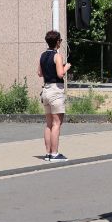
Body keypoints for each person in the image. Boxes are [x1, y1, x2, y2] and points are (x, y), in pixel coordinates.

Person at [37, 30, 71, 162]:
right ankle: (55, 154)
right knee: (57, 123)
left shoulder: (42, 55)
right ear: (57, 42)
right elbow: (60, 74)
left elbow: (39, 73)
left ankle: (48, 153)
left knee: (49, 124)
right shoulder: (57, 56)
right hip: (56, 91)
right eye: (60, 41)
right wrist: (66, 67)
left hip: (45, 90)